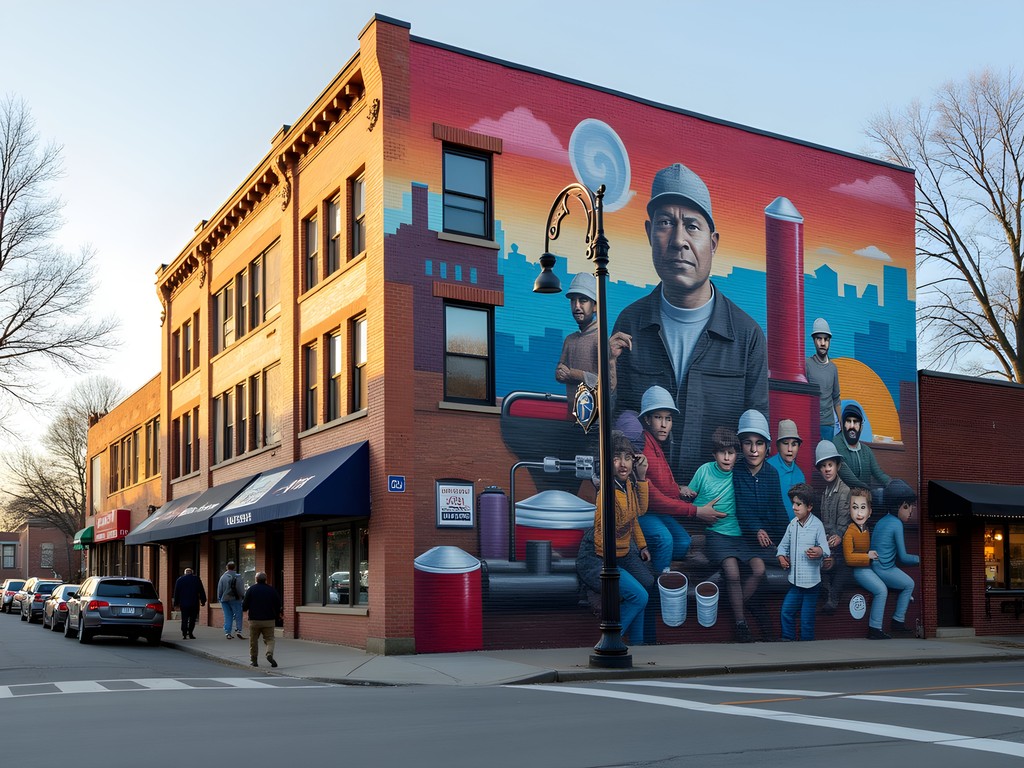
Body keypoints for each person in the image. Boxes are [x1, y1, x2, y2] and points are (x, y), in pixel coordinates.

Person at [609, 162, 769, 484]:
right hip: (645, 510)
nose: (678, 240)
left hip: (722, 516)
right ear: (649, 233)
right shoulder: (629, 323)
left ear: (713, 242)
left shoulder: (747, 336)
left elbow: (757, 441)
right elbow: (615, 424)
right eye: (666, 223)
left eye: (692, 226)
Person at [638, 385, 727, 572]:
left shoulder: (656, 445)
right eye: (658, 418)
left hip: (655, 510)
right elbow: (653, 497)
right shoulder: (643, 447)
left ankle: (645, 561)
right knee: (665, 540)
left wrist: (679, 489)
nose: (664, 425)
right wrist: (695, 511)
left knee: (684, 542)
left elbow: (662, 484)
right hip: (643, 512)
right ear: (647, 419)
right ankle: (659, 588)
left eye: (668, 419)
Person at [591, 431, 654, 645]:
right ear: (608, 461)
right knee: (640, 597)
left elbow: (637, 516)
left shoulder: (628, 485)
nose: (623, 464)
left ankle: (638, 642)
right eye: (617, 458)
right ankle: (609, 640)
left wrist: (643, 545)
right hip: (605, 557)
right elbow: (606, 531)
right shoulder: (606, 492)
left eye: (628, 458)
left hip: (625, 553)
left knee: (647, 583)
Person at [733, 410, 790, 641]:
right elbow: (738, 506)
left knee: (783, 561)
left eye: (759, 444)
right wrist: (756, 528)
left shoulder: (771, 474)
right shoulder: (735, 471)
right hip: (742, 539)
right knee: (760, 570)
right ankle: (744, 612)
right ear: (741, 446)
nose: (754, 450)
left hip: (766, 542)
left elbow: (778, 510)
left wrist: (789, 540)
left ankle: (757, 612)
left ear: (767, 447)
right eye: (748, 443)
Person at [776, 482, 830, 641]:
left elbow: (826, 550)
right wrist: (781, 557)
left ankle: (807, 646)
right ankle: (788, 639)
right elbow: (782, 546)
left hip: (812, 584)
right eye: (793, 503)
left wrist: (819, 551)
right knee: (786, 611)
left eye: (798, 504)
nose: (794, 507)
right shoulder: (792, 525)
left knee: (806, 619)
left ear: (810, 507)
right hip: (795, 581)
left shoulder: (817, 526)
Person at [871, 478, 920, 634]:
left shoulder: (882, 521)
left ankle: (897, 621)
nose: (910, 511)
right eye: (907, 507)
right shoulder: (896, 523)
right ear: (898, 506)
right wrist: (919, 559)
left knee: (905, 584)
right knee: (909, 584)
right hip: (884, 569)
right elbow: (903, 557)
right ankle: (898, 621)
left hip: (876, 566)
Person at [842, 485, 891, 639]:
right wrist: (867, 556)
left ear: (870, 511)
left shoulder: (866, 529)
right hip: (858, 570)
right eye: (854, 507)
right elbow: (849, 558)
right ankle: (875, 628)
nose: (859, 512)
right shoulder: (850, 532)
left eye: (863, 507)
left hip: (868, 568)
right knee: (881, 590)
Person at [554, 272, 601, 415]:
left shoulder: (600, 339)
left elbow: (604, 382)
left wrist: (572, 374)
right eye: (573, 301)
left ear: (595, 306)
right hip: (572, 413)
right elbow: (561, 371)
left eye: (583, 300)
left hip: (594, 417)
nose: (577, 306)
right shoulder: (570, 339)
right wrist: (560, 373)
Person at [814, 440, 851, 614]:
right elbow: (823, 524)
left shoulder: (845, 491)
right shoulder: (824, 494)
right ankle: (826, 591)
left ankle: (834, 596)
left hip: (842, 542)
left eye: (830, 464)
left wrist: (837, 537)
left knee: (841, 562)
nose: (827, 469)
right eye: (823, 466)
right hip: (828, 542)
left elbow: (843, 523)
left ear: (837, 466)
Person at [832, 403, 891, 490]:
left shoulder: (866, 451)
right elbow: (845, 475)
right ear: (842, 424)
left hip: (864, 499)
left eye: (855, 422)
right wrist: (866, 489)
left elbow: (879, 474)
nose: (852, 426)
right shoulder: (836, 443)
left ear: (861, 427)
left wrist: (894, 485)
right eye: (848, 421)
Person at [806, 318, 841, 441]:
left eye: (826, 339)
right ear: (814, 340)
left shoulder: (833, 368)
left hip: (828, 425)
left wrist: (842, 426)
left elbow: (836, 398)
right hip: (810, 423)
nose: (823, 343)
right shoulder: (807, 364)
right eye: (819, 339)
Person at [766, 419, 805, 519]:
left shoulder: (799, 474)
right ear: (778, 445)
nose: (790, 449)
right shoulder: (767, 468)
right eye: (785, 443)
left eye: (794, 444)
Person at [243, 571, 281, 667]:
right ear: (266, 579)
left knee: (253, 640)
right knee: (270, 639)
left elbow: (245, 605)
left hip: (254, 620)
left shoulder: (251, 590)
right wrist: (277, 615)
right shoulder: (272, 590)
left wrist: (245, 609)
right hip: (269, 620)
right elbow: (278, 605)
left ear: (256, 579)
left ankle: (254, 660)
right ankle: (269, 653)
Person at [172, 567, 206, 640]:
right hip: (194, 603)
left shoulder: (180, 580)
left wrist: (175, 603)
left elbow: (176, 593)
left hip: (184, 603)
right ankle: (190, 633)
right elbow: (201, 590)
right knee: (192, 619)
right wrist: (203, 600)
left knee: (184, 618)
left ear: (185, 573)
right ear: (192, 573)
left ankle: (184, 634)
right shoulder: (196, 579)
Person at [217, 561, 245, 640]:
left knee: (227, 616)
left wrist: (220, 598)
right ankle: (238, 630)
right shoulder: (238, 577)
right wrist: (242, 596)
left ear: (227, 567)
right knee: (238, 615)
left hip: (225, 599)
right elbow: (240, 589)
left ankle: (227, 632)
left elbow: (220, 589)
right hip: (235, 599)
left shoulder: (223, 577)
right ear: (234, 568)